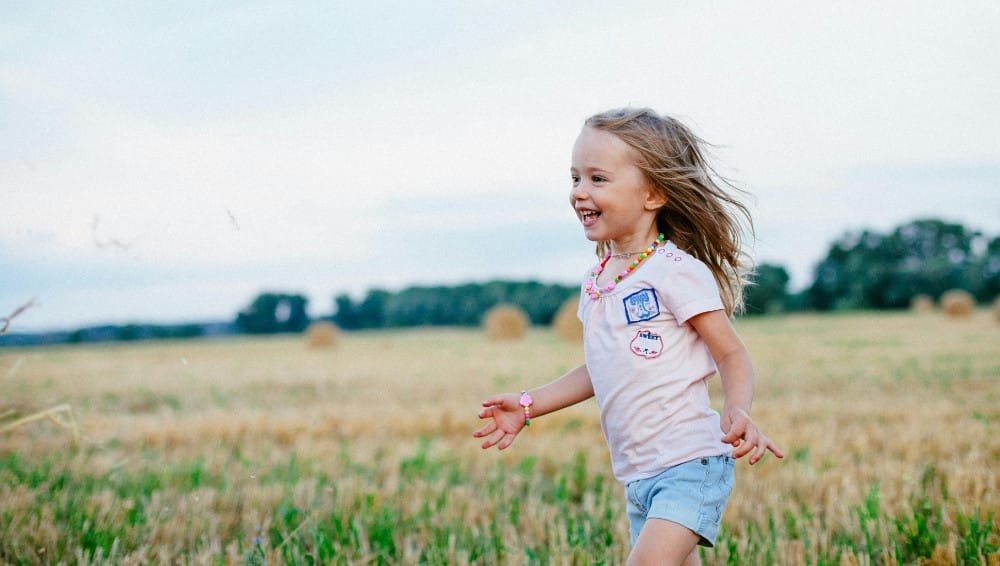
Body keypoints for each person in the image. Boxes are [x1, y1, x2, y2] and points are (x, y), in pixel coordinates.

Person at [473, 107, 783, 565]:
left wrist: (737, 410)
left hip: (689, 465)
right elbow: (601, 367)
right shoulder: (598, 280)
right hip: (638, 476)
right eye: (575, 178)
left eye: (598, 179)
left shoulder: (676, 272)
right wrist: (528, 404)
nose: (580, 192)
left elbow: (731, 352)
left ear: (654, 193)